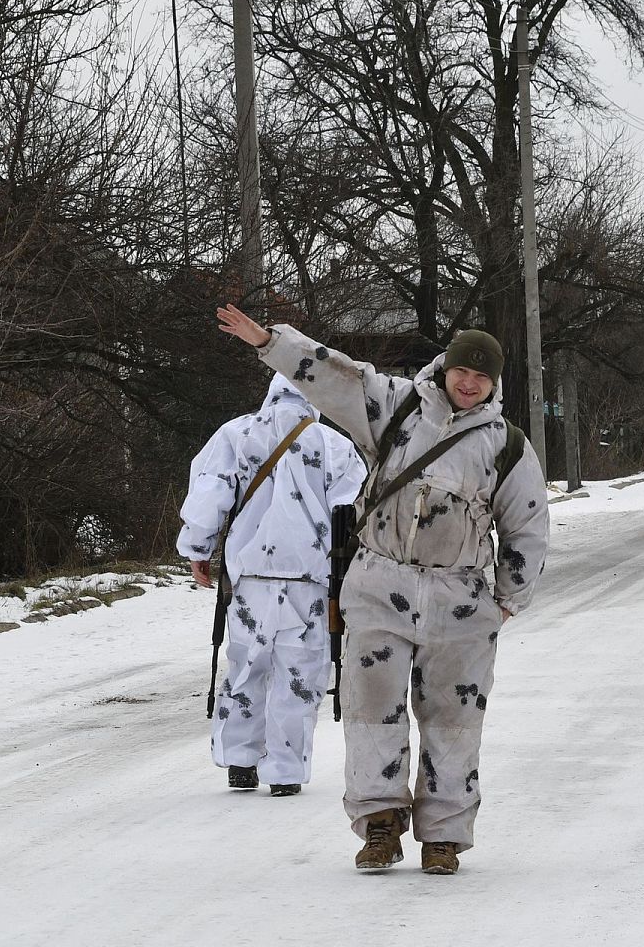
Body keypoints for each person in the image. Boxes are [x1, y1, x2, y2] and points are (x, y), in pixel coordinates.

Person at [216, 303, 550, 875]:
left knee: (452, 720)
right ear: (445, 368)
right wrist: (271, 343)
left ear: (494, 384)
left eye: (481, 377)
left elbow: (528, 524)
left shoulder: (506, 445)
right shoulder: (396, 406)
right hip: (379, 586)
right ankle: (378, 826)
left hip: (460, 601)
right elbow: (337, 375)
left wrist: (507, 596)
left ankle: (443, 834)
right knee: (372, 712)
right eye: (461, 371)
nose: (468, 384)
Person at [178, 373, 367, 797]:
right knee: (299, 673)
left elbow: (211, 492)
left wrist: (197, 548)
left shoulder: (236, 434)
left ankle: (240, 762)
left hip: (250, 577)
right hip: (310, 580)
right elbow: (352, 514)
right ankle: (284, 772)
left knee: (246, 667)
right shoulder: (333, 445)